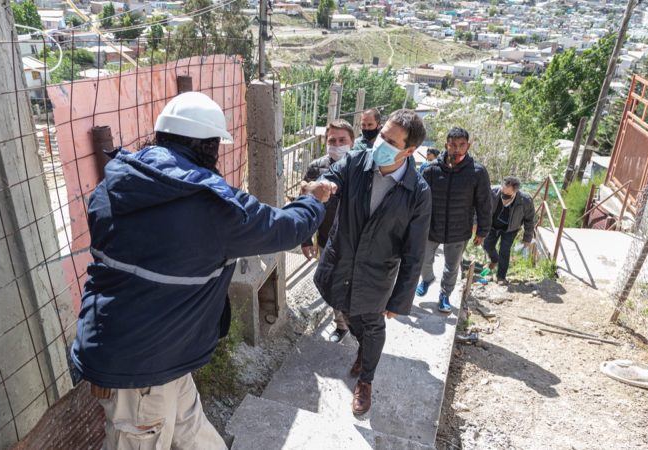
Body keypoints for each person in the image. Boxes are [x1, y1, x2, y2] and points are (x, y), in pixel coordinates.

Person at [71, 92, 335, 450]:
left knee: (192, 432)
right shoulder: (212, 207)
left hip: (142, 348)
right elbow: (286, 228)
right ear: (208, 146)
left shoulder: (115, 183)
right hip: (141, 369)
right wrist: (313, 200)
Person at [314, 109, 432, 415]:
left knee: (372, 324)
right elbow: (332, 175)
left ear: (409, 150)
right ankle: (364, 352)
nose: (381, 143)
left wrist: (400, 297)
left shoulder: (417, 192)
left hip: (377, 273)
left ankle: (365, 380)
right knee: (345, 310)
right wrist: (324, 185)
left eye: (390, 141)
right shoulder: (357, 162)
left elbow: (415, 251)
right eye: (382, 135)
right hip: (342, 262)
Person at [416, 127, 492, 313]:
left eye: (462, 145)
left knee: (452, 266)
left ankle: (445, 295)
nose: (457, 149)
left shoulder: (477, 172)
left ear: (468, 145)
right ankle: (427, 279)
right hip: (431, 227)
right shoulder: (430, 169)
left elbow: (484, 203)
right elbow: (418, 199)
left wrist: (482, 231)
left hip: (460, 228)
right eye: (453, 145)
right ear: (446, 145)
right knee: (424, 260)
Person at [302, 119, 355, 343]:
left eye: (342, 140)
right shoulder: (316, 168)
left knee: (354, 288)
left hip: (356, 242)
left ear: (353, 142)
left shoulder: (362, 168)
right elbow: (304, 204)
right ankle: (341, 325)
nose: (337, 144)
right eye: (332, 140)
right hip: (326, 241)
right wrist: (306, 239)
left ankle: (359, 329)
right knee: (332, 285)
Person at [485, 177, 536, 285]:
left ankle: (501, 277)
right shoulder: (492, 192)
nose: (504, 197)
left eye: (507, 195)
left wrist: (527, 239)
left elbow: (529, 220)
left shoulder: (525, 200)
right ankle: (495, 260)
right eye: (502, 193)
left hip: (511, 229)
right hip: (492, 226)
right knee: (487, 245)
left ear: (516, 192)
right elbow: (479, 207)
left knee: (504, 250)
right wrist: (476, 223)